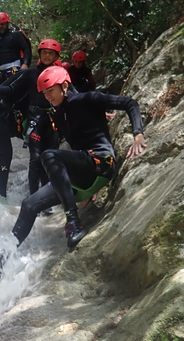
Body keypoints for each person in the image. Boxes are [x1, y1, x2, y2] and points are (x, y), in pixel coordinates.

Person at [10, 65, 146, 250]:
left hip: (102, 161)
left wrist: (138, 135)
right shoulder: (58, 114)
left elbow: (130, 103)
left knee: (49, 155)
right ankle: (4, 255)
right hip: (84, 169)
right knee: (29, 204)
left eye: (51, 90)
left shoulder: (89, 98)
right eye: (44, 93)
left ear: (64, 86)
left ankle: (73, 222)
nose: (48, 96)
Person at [0, 39, 63, 198]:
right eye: (44, 53)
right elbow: (6, 89)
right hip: (3, 118)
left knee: (45, 158)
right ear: (39, 55)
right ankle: (2, 195)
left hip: (28, 120)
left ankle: (45, 197)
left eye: (51, 53)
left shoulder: (58, 76)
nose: (47, 56)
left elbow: (72, 95)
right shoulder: (28, 74)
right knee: (9, 156)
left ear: (56, 57)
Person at [0, 12, 32, 88]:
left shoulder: (16, 35)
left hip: (14, 69)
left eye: (3, 24)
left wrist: (25, 63)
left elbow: (26, 49)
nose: (1, 26)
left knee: (14, 91)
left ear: (7, 23)